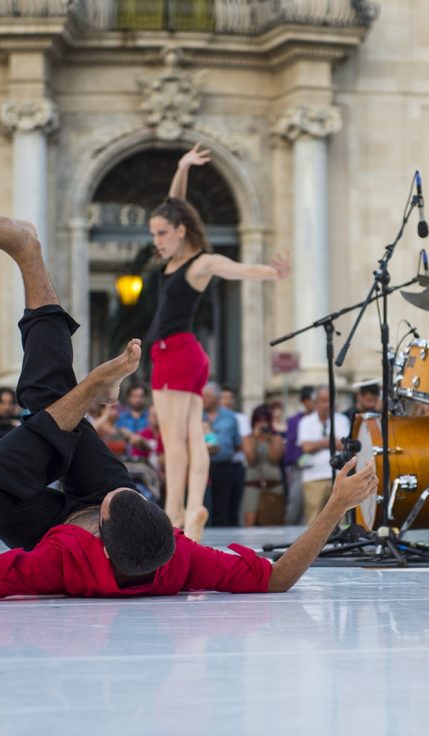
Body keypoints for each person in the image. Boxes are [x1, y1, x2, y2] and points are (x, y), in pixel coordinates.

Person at [0, 209, 378, 602]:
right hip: (106, 506)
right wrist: (336, 504)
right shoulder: (177, 556)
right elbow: (276, 580)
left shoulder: (62, 560)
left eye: (117, 503)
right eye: (134, 495)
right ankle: (32, 262)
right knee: (49, 403)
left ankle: (89, 382)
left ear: (101, 541)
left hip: (43, 524)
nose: (125, 489)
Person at [147, 143, 290, 542]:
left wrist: (270, 272)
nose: (156, 240)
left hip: (177, 352)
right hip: (176, 354)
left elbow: (235, 269)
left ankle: (174, 513)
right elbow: (176, 202)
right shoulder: (176, 258)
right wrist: (182, 166)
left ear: (180, 232)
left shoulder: (201, 262)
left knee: (174, 440)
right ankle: (193, 509)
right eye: (153, 234)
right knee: (191, 436)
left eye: (161, 233)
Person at [297, 387, 350, 524]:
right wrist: (329, 441)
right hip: (314, 477)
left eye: (330, 401)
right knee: (314, 518)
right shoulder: (306, 422)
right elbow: (307, 447)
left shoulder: (342, 420)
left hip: (338, 476)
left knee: (340, 517)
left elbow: (344, 445)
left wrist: (319, 443)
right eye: (323, 401)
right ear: (316, 403)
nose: (327, 405)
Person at [203, 381, 243, 526]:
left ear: (216, 398)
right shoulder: (198, 415)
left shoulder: (230, 417)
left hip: (224, 467)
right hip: (204, 467)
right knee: (206, 508)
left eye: (207, 396)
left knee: (224, 508)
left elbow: (238, 444)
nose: (203, 399)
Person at [241, 404, 285, 527]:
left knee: (274, 521)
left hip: (273, 486)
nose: (262, 424)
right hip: (253, 485)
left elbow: (274, 459)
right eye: (259, 421)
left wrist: (269, 439)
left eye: (265, 421)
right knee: (250, 522)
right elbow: (251, 459)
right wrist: (255, 439)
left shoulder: (275, 438)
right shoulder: (248, 439)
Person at [283, 386, 315, 525]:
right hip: (299, 467)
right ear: (304, 401)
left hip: (318, 468)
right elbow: (290, 445)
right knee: (295, 503)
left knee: (313, 506)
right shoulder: (294, 421)